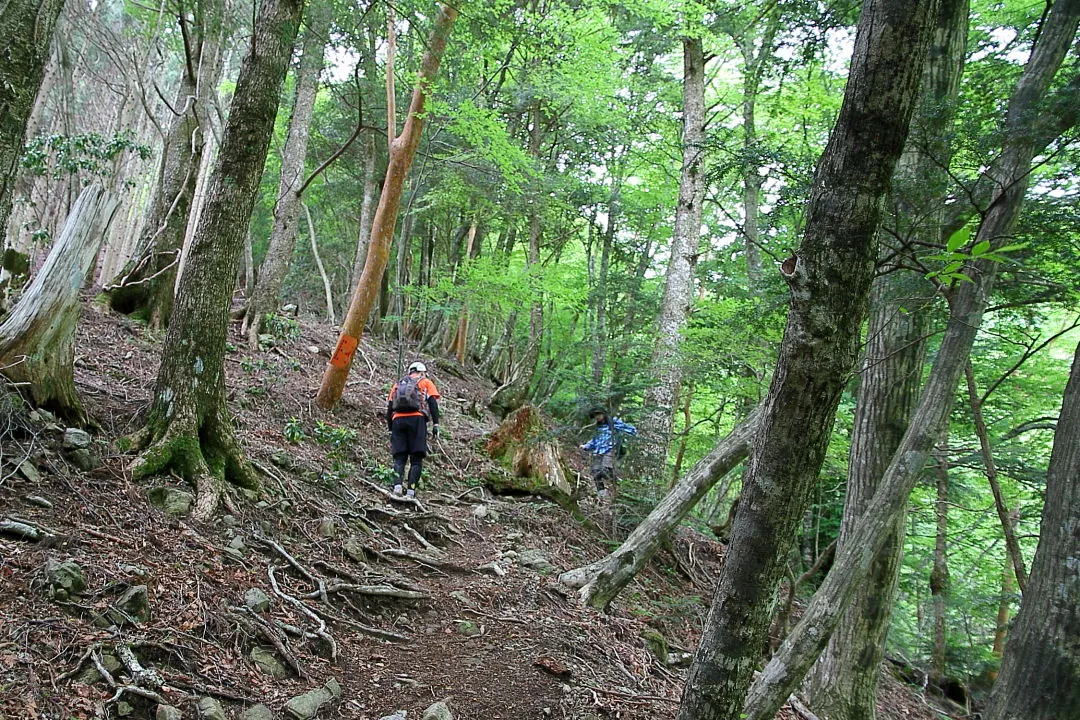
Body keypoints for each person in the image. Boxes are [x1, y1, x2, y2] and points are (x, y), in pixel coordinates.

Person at [386, 361, 441, 498]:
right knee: (416, 459)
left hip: (397, 420)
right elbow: (433, 403)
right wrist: (436, 424)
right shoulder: (426, 382)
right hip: (417, 420)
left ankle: (397, 487)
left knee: (399, 458)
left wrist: (390, 428)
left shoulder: (398, 384)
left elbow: (390, 406)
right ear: (422, 372)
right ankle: (410, 491)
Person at [580, 407, 636, 499]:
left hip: (610, 450)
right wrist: (586, 446)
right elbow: (595, 440)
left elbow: (629, 429)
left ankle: (619, 482)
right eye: (595, 416)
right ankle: (602, 495)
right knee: (595, 473)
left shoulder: (613, 422)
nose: (597, 417)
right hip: (598, 452)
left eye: (599, 414)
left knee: (605, 470)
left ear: (603, 414)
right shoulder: (598, 427)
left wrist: (632, 432)